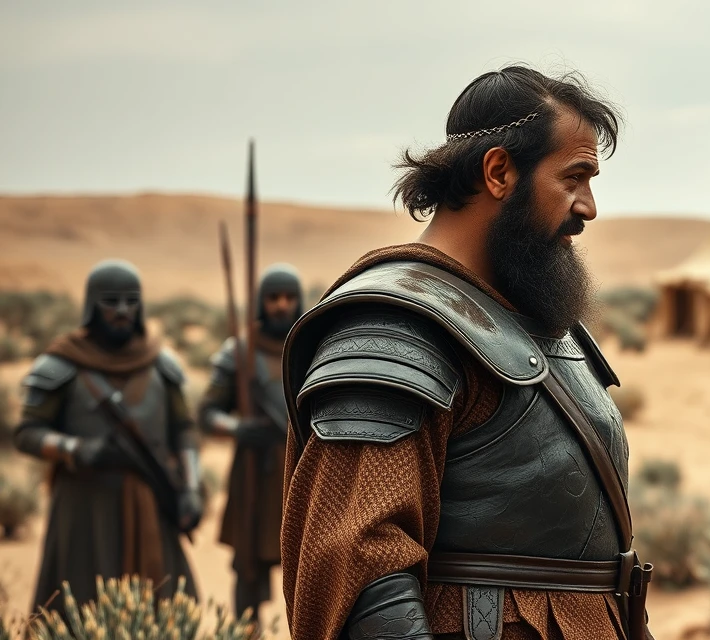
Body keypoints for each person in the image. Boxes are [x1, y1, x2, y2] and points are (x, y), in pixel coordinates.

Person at [279, 65, 649, 640]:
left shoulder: (531, 319)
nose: (589, 206)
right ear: (499, 171)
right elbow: (360, 567)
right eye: (574, 178)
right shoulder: (392, 331)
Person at [14, 259, 202, 609]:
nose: (122, 311)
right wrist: (77, 448)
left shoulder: (161, 365)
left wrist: (190, 488)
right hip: (83, 508)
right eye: (111, 301)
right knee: (79, 607)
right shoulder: (62, 364)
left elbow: (184, 431)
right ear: (91, 305)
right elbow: (27, 432)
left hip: (149, 501)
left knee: (157, 607)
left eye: (131, 301)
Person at [198, 263, 303, 619]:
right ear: (262, 301)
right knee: (248, 563)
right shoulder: (239, 352)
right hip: (254, 468)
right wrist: (237, 428)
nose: (281, 305)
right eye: (274, 297)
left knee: (306, 562)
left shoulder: (310, 345)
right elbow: (208, 412)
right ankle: (246, 630)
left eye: (289, 297)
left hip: (300, 467)